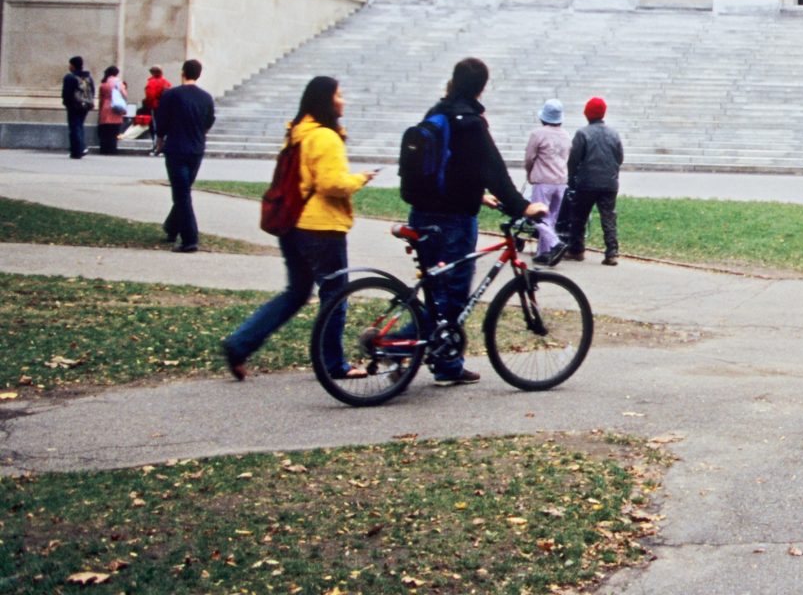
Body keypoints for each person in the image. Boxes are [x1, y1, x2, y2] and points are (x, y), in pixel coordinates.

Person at [406, 57, 549, 384]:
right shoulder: (470, 122)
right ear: (481, 87)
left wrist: (478, 194)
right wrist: (523, 207)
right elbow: (492, 170)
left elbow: (446, 166)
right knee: (455, 292)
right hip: (453, 219)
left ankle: (435, 358)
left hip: (423, 211)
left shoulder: (437, 112)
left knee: (436, 294)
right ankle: (426, 357)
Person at [221, 76, 374, 381]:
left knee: (297, 292)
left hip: (292, 223)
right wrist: (360, 179)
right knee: (335, 295)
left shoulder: (296, 134)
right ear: (326, 100)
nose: (343, 101)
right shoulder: (325, 137)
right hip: (321, 226)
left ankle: (240, 343)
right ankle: (333, 364)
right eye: (338, 95)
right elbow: (331, 184)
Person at [153, 60, 216, 253]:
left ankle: (190, 239)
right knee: (184, 190)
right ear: (199, 74)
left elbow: (162, 121)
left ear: (183, 72)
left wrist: (160, 140)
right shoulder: (206, 98)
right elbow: (209, 122)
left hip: (177, 148)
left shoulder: (172, 95)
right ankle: (172, 228)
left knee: (181, 194)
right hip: (196, 149)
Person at [552, 95, 622, 267]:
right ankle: (612, 253)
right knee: (609, 217)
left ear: (587, 114)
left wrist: (571, 178)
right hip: (609, 183)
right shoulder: (614, 134)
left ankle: (577, 250)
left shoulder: (582, 133)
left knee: (579, 216)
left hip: (587, 183)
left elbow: (574, 159)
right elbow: (619, 157)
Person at [523, 100, 570, 261]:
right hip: (561, 181)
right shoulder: (566, 135)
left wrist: (529, 173)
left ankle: (555, 243)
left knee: (538, 216)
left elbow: (529, 158)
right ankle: (544, 253)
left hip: (543, 180)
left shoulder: (538, 134)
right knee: (551, 219)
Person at [60, 56, 94, 160]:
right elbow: (92, 90)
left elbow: (67, 92)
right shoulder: (88, 77)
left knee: (74, 127)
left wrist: (66, 102)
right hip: (85, 105)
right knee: (79, 126)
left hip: (74, 105)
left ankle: (77, 150)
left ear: (73, 65)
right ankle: (81, 147)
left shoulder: (70, 77)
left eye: (70, 64)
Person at [136, 65, 170, 154]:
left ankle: (156, 147)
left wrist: (147, 104)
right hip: (165, 107)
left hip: (155, 107)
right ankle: (163, 146)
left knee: (155, 127)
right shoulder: (166, 82)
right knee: (163, 127)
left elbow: (150, 96)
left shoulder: (151, 82)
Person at [96, 65, 128, 155]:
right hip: (115, 108)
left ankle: (104, 149)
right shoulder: (118, 83)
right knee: (114, 131)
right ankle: (112, 149)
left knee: (105, 131)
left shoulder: (104, 82)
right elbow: (124, 95)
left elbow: (101, 98)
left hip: (105, 107)